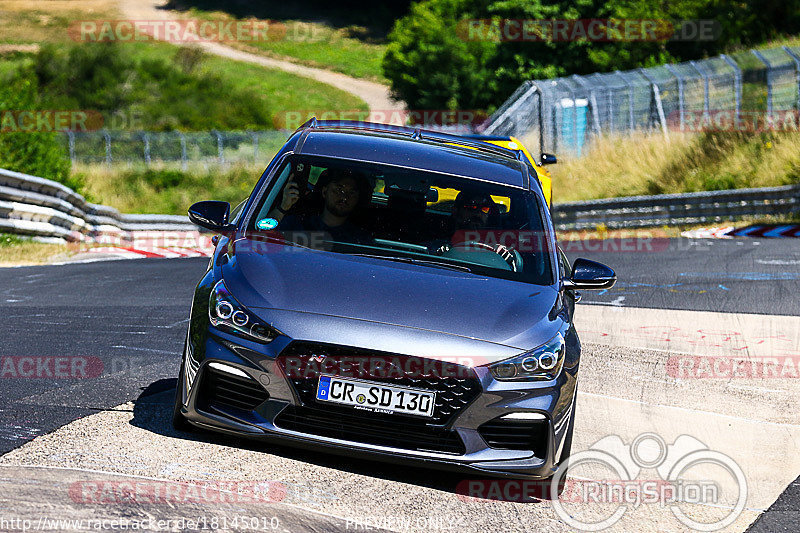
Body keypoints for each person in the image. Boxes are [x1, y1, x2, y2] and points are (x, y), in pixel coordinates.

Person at [276, 169, 373, 245]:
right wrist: (283, 207)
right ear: (324, 192)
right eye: (339, 190)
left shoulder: (360, 239)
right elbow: (263, 238)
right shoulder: (296, 224)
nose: (344, 197)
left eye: (351, 193)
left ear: (357, 199)